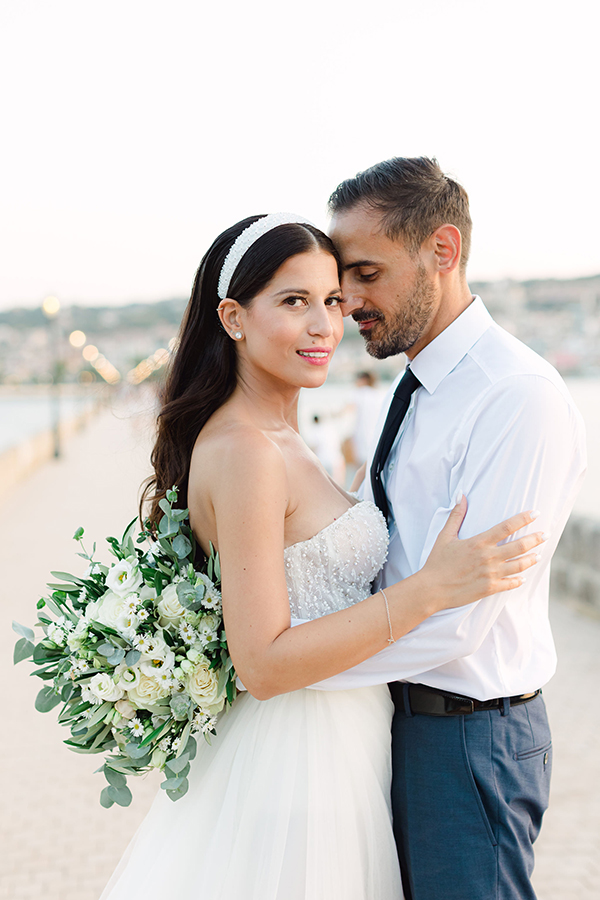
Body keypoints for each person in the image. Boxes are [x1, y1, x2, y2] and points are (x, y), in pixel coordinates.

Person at [99, 212, 544, 900]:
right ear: (233, 317)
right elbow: (264, 661)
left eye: (333, 300)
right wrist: (429, 591)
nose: (324, 326)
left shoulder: (284, 434)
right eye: (294, 302)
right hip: (300, 762)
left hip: (350, 741)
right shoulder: (247, 449)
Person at [307, 158, 587, 900]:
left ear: (443, 250)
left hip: (468, 737)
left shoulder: (514, 398)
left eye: (366, 273)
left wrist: (291, 668)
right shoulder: (419, 384)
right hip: (398, 719)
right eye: (343, 280)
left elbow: (459, 623)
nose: (349, 301)